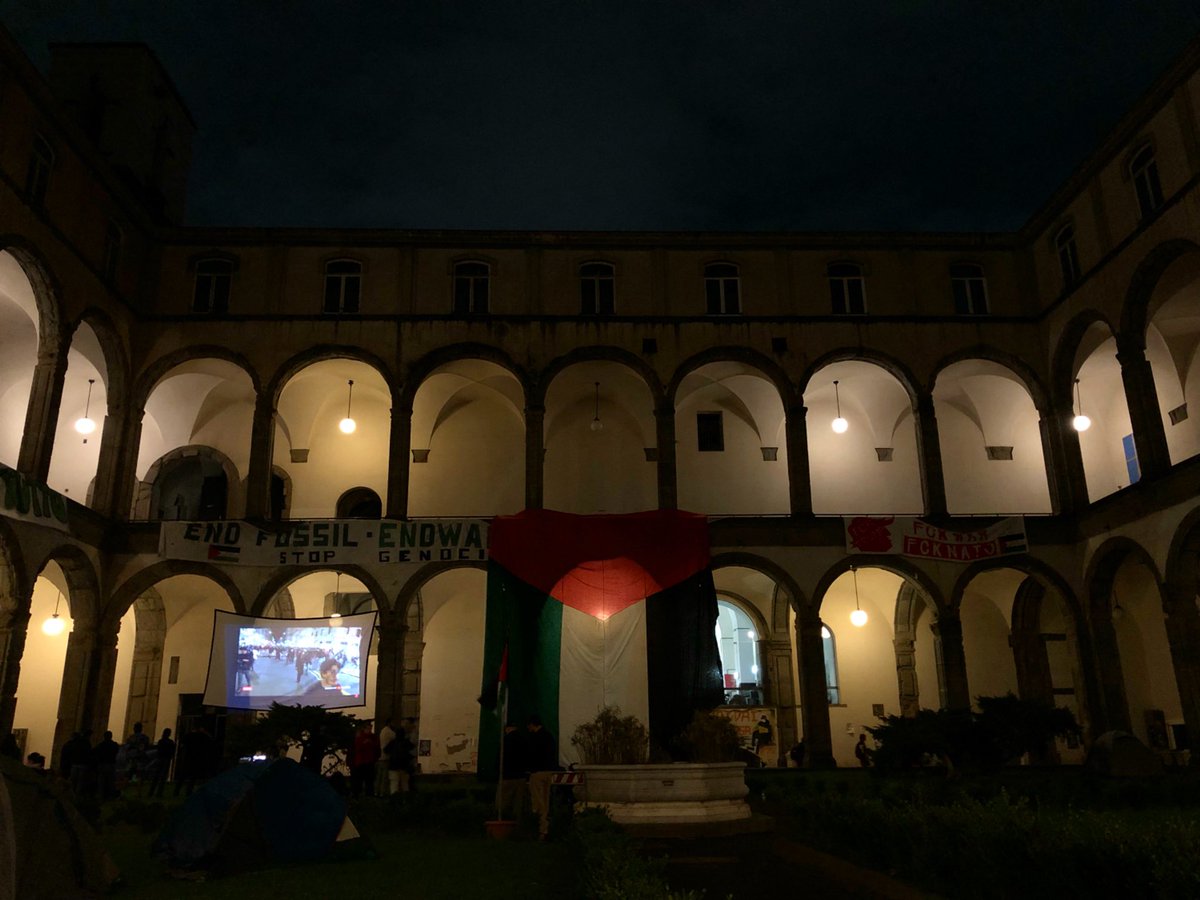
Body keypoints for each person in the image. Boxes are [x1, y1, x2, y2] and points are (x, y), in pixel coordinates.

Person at [524, 714, 560, 839]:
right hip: (549, 771)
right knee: (546, 799)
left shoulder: (534, 738)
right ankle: (546, 828)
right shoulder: (549, 736)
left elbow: (531, 754)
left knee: (538, 802)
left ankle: (541, 828)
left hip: (537, 772)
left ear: (532, 724)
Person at [350, 721, 380, 797]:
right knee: (361, 780)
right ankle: (359, 795)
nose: (369, 730)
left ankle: (368, 795)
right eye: (368, 728)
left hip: (368, 761)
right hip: (362, 762)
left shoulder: (372, 737)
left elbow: (377, 748)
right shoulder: (360, 737)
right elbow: (357, 748)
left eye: (370, 728)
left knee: (369, 781)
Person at [147, 728, 176, 797]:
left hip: (160, 759)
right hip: (166, 759)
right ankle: (159, 793)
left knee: (156, 776)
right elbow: (172, 751)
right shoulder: (170, 742)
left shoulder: (161, 741)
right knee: (162, 777)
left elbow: (159, 750)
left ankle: (151, 792)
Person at [93, 730, 120, 800]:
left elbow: (95, 752)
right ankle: (110, 796)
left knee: (101, 782)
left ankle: (101, 796)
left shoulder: (101, 745)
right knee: (110, 782)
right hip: (111, 765)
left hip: (102, 765)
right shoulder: (114, 745)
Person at [376, 718, 397, 795]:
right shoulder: (389, 731)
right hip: (386, 757)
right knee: (384, 777)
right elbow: (396, 737)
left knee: (379, 777)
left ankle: (376, 791)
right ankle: (382, 792)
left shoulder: (382, 731)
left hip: (380, 757)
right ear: (389, 723)